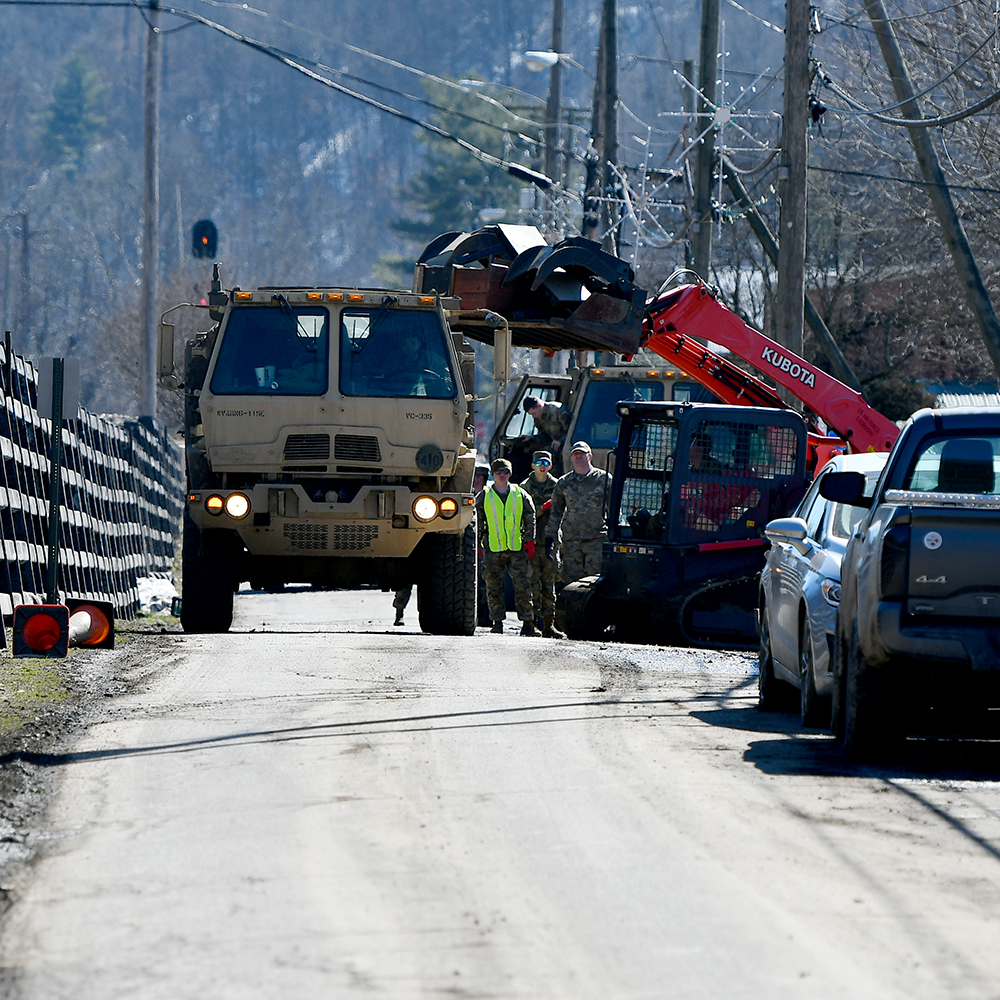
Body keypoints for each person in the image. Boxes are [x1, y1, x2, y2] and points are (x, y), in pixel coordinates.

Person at [476, 458, 537, 635]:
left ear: (510, 474)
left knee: (523, 587)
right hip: (493, 549)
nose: (502, 475)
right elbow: (478, 519)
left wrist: (530, 540)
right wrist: (479, 543)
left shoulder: (520, 493)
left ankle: (527, 623)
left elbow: (530, 516)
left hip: (516, 549)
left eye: (505, 472)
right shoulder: (485, 495)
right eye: (498, 472)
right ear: (493, 474)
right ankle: (497, 623)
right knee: (493, 587)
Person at [546, 441, 610, 586]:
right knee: (570, 583)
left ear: (590, 456)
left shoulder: (604, 480)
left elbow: (614, 510)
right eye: (576, 454)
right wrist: (550, 537)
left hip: (596, 540)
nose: (579, 457)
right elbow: (556, 512)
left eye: (582, 454)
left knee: (596, 582)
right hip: (571, 541)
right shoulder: (563, 482)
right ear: (571, 458)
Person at [519, 451, 566, 639]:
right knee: (529, 585)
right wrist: (542, 508)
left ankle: (548, 625)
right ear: (532, 465)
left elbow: (562, 511)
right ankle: (529, 624)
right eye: (539, 462)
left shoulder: (557, 486)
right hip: (531, 541)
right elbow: (524, 514)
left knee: (549, 585)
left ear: (551, 465)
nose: (542, 465)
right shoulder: (524, 488)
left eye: (546, 462)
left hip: (550, 542)